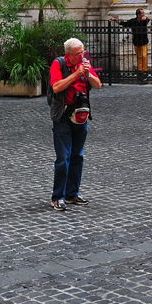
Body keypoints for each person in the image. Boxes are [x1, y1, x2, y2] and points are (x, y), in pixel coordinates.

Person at [48, 38, 101, 212]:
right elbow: (56, 87)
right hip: (63, 117)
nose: (82, 56)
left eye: (83, 52)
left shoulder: (84, 64)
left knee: (78, 156)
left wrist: (88, 74)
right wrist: (76, 74)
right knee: (63, 158)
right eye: (78, 54)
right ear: (68, 55)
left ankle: (72, 194)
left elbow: (98, 85)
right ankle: (57, 197)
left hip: (81, 116)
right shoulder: (58, 64)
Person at [109, 8, 150, 82]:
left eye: (143, 13)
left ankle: (145, 71)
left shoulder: (144, 21)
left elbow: (148, 19)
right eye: (142, 13)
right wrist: (115, 20)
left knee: (144, 56)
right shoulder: (133, 21)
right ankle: (140, 71)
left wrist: (146, 18)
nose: (143, 14)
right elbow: (124, 23)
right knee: (139, 56)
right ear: (138, 14)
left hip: (143, 41)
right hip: (136, 41)